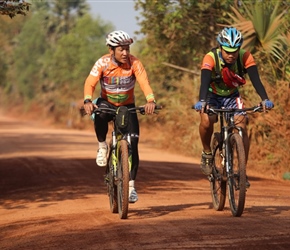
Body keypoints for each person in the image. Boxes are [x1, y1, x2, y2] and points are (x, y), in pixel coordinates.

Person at [194, 27, 274, 187]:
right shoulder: (210, 57)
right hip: (212, 95)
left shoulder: (245, 56)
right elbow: (204, 82)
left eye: (235, 51)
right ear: (220, 47)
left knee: (241, 125)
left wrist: (265, 99)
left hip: (232, 96)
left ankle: (242, 172)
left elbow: (256, 80)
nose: (231, 55)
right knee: (207, 120)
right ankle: (207, 153)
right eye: (227, 51)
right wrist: (202, 100)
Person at [83, 30, 156, 203]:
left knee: (134, 143)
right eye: (121, 49)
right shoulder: (102, 63)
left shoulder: (134, 63)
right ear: (111, 50)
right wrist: (87, 100)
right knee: (99, 113)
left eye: (127, 49)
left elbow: (144, 82)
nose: (125, 53)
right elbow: (90, 82)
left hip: (127, 105)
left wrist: (150, 100)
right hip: (107, 103)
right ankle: (102, 146)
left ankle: (131, 186)